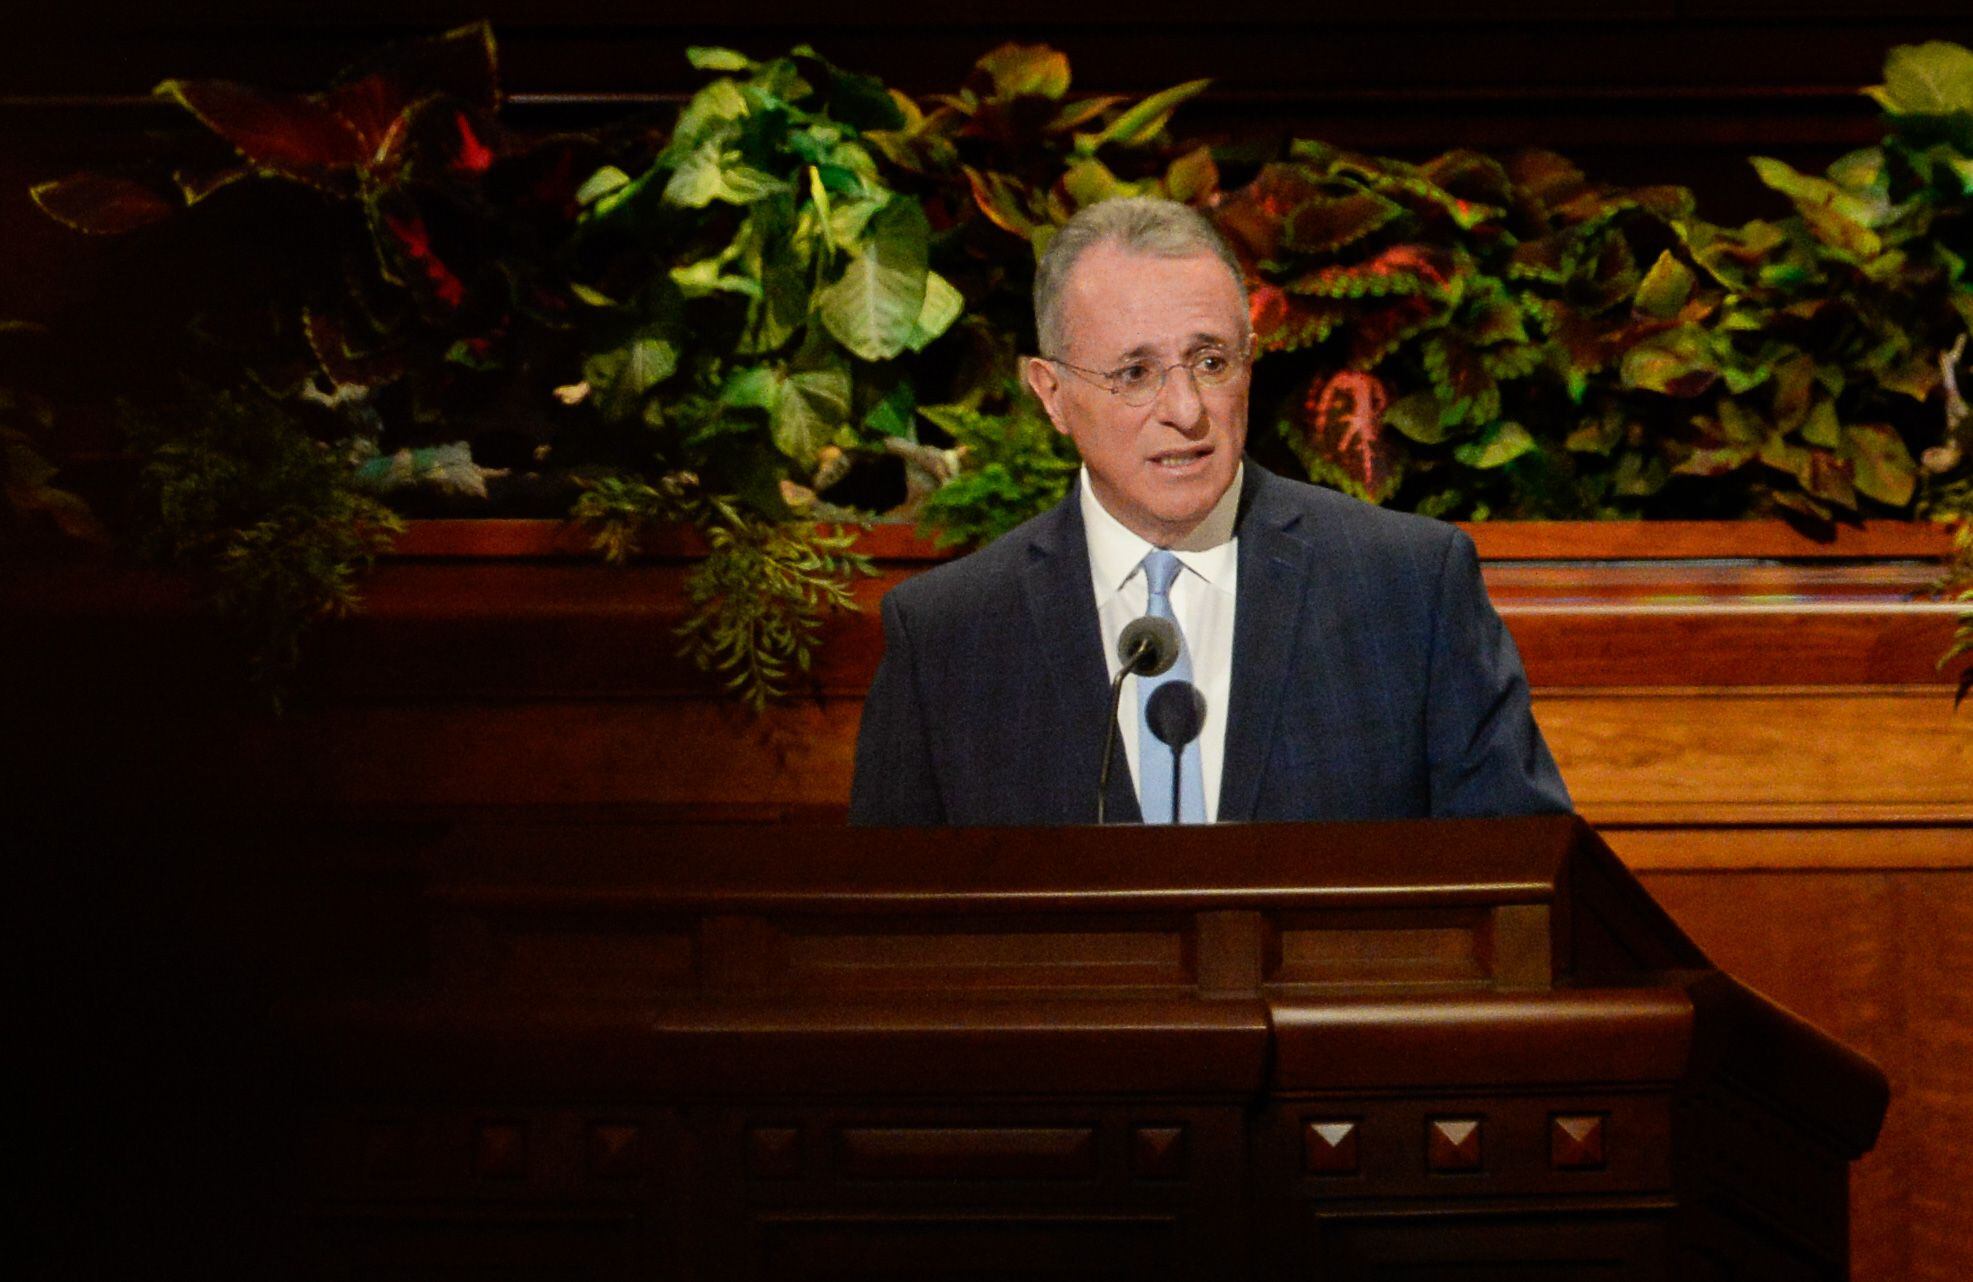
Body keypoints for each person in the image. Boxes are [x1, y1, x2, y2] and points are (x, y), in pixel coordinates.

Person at [849, 196, 1569, 825]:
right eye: (1135, 374)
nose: (1186, 411)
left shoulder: (1407, 589)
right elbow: (890, 930)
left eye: (1211, 362)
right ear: (1052, 394)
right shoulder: (948, 636)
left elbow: (1521, 877)